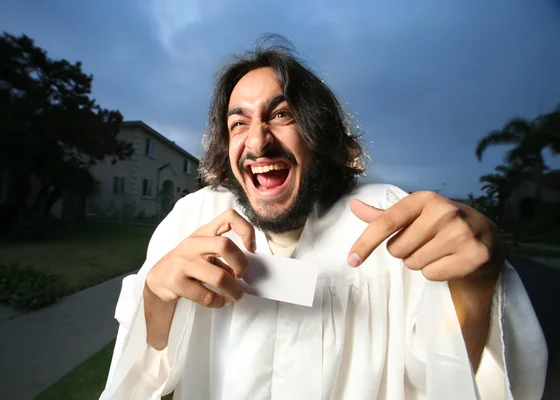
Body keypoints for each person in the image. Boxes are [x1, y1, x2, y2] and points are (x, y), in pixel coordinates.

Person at [100, 36, 547, 400]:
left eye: (282, 115)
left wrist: (477, 281)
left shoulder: (389, 218)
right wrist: (156, 295)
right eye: (238, 124)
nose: (257, 142)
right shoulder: (193, 217)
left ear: (320, 133)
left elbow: (448, 378)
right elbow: (149, 371)